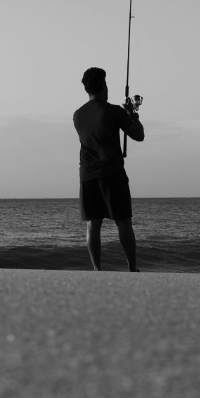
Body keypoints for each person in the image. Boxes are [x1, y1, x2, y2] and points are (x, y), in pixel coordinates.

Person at [73, 66, 144, 271]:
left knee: (93, 225)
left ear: (86, 88)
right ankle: (132, 268)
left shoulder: (77, 115)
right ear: (104, 85)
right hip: (112, 173)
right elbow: (138, 135)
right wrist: (132, 115)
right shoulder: (114, 111)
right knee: (123, 223)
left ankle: (97, 269)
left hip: (87, 175)